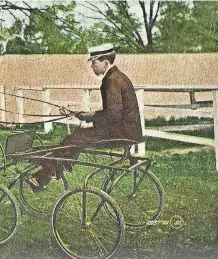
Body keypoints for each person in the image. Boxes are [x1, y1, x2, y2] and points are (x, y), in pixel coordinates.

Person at [28, 43, 144, 191]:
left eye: (94, 63)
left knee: (72, 139)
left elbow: (113, 115)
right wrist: (85, 115)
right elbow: (113, 112)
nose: (92, 67)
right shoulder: (118, 77)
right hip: (127, 131)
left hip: (121, 132)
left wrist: (89, 116)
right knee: (74, 139)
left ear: (105, 63)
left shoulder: (112, 80)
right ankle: (58, 166)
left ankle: (45, 174)